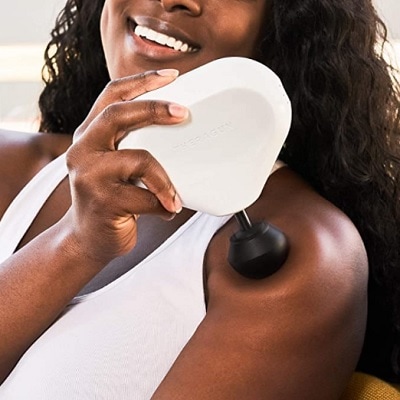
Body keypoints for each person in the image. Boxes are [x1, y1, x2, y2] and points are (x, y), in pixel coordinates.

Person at [0, 0, 399, 398]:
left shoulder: (304, 255)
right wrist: (75, 242)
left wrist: (82, 242)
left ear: (290, 21)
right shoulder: (11, 165)